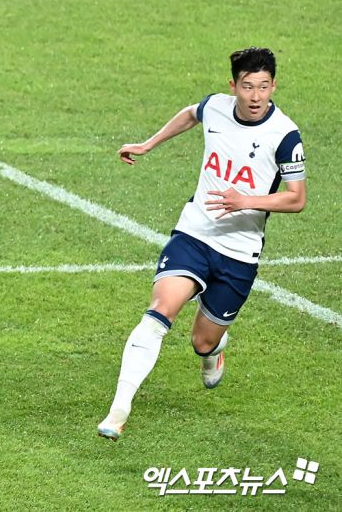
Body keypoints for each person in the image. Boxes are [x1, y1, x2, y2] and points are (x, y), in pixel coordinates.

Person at [97, 47, 306, 441]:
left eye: (263, 87)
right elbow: (192, 113)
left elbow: (297, 198)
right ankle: (118, 410)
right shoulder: (216, 107)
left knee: (202, 340)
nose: (256, 96)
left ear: (274, 86)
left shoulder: (284, 135)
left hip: (240, 252)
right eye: (248, 86)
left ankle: (213, 350)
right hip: (195, 233)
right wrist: (148, 144)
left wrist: (246, 201)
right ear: (234, 86)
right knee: (159, 312)